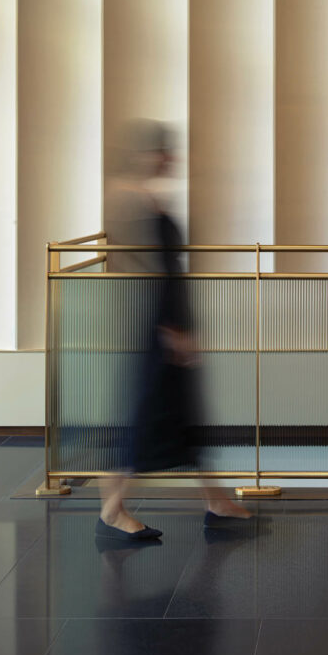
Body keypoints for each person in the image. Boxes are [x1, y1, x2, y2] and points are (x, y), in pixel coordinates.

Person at [97, 118, 250, 541]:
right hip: (156, 324)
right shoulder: (128, 198)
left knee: (184, 416)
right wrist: (172, 329)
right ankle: (112, 507)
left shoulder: (141, 197)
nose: (170, 158)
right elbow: (146, 270)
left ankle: (215, 499)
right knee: (153, 415)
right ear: (145, 154)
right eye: (163, 150)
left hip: (165, 319)